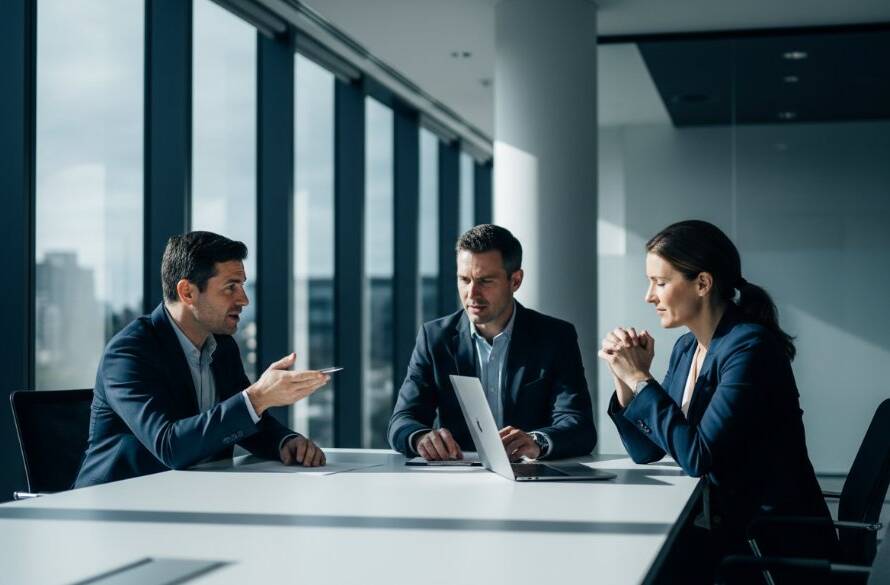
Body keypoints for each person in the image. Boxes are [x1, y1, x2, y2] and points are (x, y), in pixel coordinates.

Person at [599, 219, 836, 576]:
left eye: (660, 283)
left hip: (761, 542)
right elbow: (647, 451)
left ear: (703, 284)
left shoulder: (750, 348)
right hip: (720, 525)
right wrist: (625, 379)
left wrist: (641, 377)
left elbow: (698, 457)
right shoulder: (686, 348)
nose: (649, 296)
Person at [75, 231, 329, 488]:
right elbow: (170, 446)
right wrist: (257, 397)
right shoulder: (128, 353)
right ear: (187, 292)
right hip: (115, 507)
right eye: (231, 287)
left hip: (190, 495)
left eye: (242, 286)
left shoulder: (222, 346)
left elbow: (241, 421)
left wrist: (285, 442)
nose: (244, 300)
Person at [388, 224, 596, 462]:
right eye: (464, 279)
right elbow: (402, 420)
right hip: (458, 479)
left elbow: (580, 427)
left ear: (515, 281)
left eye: (485, 281)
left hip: (533, 482)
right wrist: (420, 438)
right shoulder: (435, 338)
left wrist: (537, 441)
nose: (472, 293)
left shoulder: (555, 337)